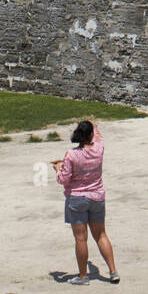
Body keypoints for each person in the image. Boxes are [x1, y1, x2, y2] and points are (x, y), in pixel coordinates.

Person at [51, 120, 118, 285]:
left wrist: (58, 168)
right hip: (97, 196)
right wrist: (94, 124)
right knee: (101, 235)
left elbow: (64, 180)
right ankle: (113, 271)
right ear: (90, 135)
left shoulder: (71, 154)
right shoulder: (99, 149)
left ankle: (82, 276)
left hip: (77, 198)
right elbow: (99, 136)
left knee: (81, 239)